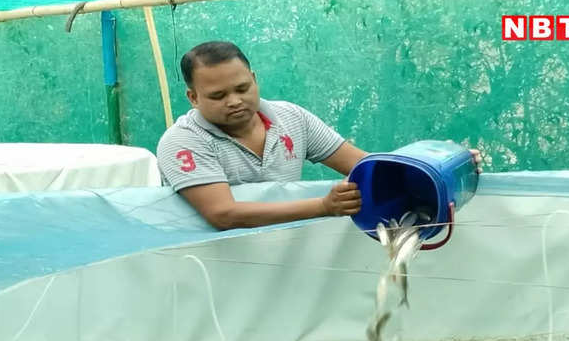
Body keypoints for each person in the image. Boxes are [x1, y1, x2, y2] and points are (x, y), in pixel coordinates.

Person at [157, 41, 481, 230]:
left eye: (242, 88)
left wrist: (443, 167)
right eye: (217, 95)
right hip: (208, 264)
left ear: (254, 79)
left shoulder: (290, 118)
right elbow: (222, 214)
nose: (234, 101)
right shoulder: (182, 142)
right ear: (193, 98)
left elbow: (368, 166)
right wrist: (324, 206)